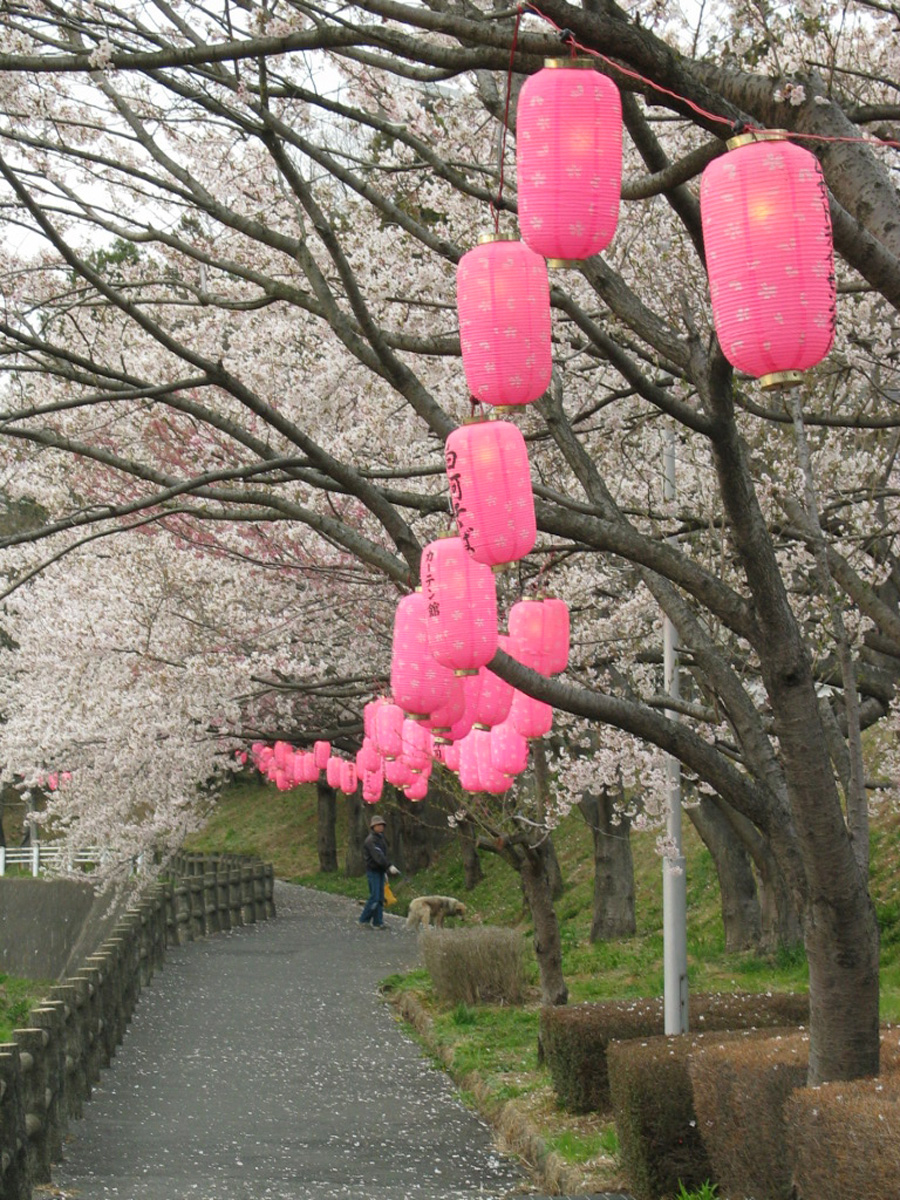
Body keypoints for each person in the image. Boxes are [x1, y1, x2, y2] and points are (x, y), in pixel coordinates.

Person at [358, 814, 400, 930]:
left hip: (380, 871)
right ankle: (363, 920)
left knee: (380, 897)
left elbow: (383, 855)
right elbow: (378, 857)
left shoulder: (380, 838)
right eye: (378, 825)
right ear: (373, 827)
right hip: (373, 871)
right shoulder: (371, 841)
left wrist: (385, 870)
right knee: (375, 897)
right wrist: (389, 866)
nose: (381, 827)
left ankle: (378, 922)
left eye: (382, 825)